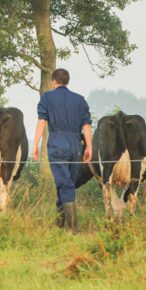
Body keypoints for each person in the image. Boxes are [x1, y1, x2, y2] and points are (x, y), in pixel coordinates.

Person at [32, 68, 92, 231]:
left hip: (57, 143)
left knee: (65, 184)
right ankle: (59, 225)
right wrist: (89, 147)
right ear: (67, 81)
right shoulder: (80, 100)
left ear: (53, 81)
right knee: (67, 182)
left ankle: (73, 229)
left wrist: (35, 144)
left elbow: (42, 121)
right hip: (75, 144)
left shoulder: (47, 97)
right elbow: (86, 125)